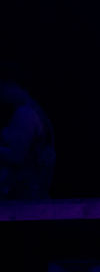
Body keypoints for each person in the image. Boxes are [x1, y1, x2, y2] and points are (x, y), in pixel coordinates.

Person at [0, 72, 55, 200]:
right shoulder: (34, 111)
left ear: (13, 85)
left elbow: (16, 155)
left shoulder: (25, 114)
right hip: (30, 194)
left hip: (24, 197)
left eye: (2, 87)